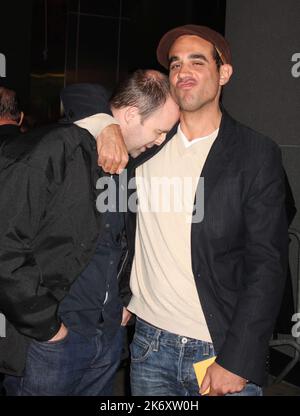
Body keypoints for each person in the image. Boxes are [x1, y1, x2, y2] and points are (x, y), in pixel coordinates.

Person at [121, 25, 288, 396]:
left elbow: (267, 263)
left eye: (197, 62)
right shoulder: (147, 146)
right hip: (149, 346)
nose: (183, 72)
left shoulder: (255, 153)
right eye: (176, 64)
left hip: (220, 351)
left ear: (223, 73)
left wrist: (238, 359)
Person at [0, 69, 179, 396]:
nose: (160, 141)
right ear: (129, 115)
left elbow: (118, 243)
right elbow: (5, 248)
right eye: (158, 130)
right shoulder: (53, 149)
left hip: (106, 335)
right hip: (52, 341)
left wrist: (123, 300)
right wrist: (47, 327)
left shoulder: (131, 162)